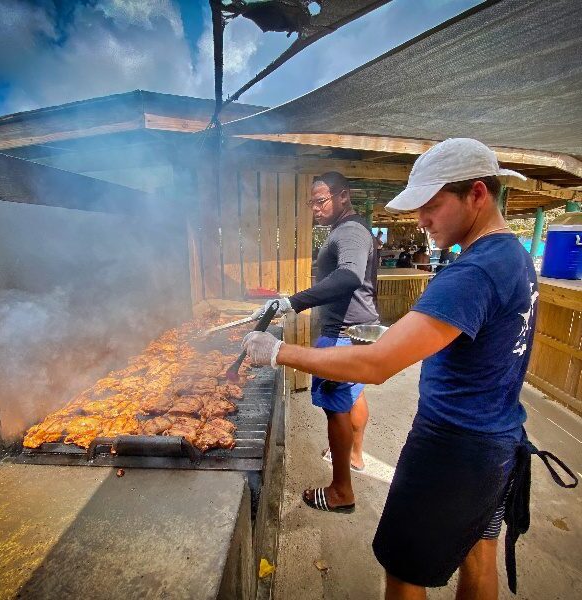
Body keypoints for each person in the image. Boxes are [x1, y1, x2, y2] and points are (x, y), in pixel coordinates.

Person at [242, 139, 572, 599]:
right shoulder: (513, 256)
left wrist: (277, 351)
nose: (420, 220)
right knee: (478, 557)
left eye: (431, 206)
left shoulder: (473, 271)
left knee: (402, 570)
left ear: (477, 193)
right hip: (497, 438)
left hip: (451, 446)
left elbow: (376, 365)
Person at [251, 171, 379, 514]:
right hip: (359, 330)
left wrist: (294, 302)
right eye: (312, 202)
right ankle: (354, 455)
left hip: (342, 333)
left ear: (343, 196)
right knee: (355, 394)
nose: (315, 208)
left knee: (336, 408)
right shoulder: (353, 229)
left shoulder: (350, 231)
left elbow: (350, 275)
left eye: (320, 200)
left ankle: (341, 491)